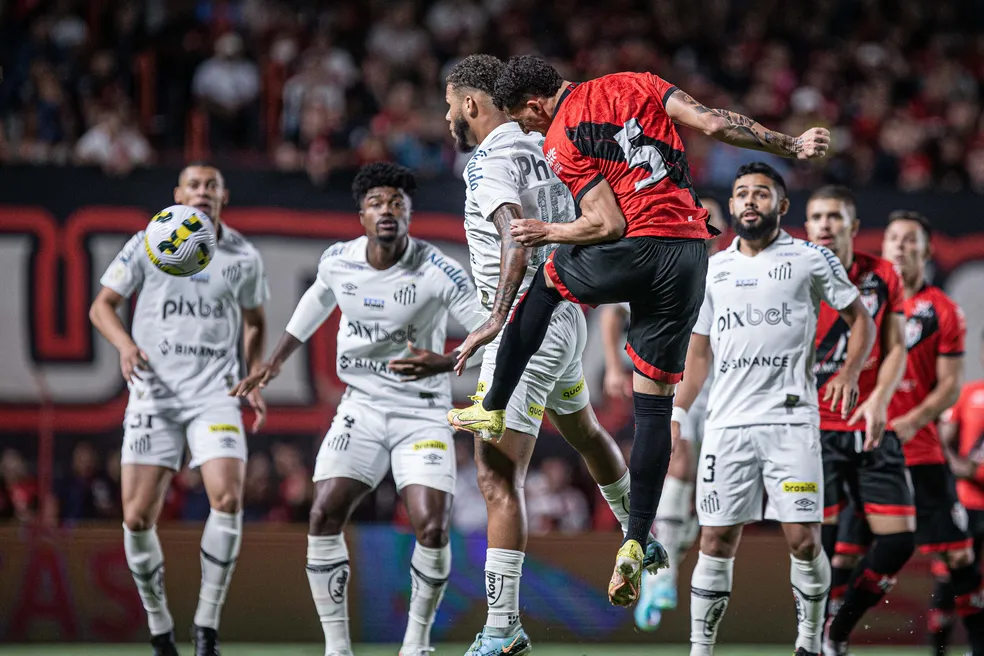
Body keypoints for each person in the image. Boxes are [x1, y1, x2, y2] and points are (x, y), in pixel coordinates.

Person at [448, 54, 831, 606]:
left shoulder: (559, 135)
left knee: (548, 281)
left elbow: (609, 223)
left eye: (523, 119)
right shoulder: (639, 82)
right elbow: (717, 123)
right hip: (692, 252)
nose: (526, 130)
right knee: (653, 404)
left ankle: (494, 403)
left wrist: (546, 229)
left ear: (535, 104)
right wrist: (791, 146)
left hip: (638, 244)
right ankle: (634, 541)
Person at [231, 162, 485, 656]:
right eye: (376, 203)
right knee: (323, 513)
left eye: (396, 203)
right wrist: (274, 362)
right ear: (361, 215)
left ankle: (417, 643)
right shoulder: (338, 261)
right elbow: (315, 303)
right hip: (362, 408)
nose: (386, 210)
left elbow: (489, 333)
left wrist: (446, 360)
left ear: (409, 213)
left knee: (431, 524)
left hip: (421, 413)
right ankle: (337, 647)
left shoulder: (437, 270)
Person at [444, 54, 639, 655]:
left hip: (524, 326)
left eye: (449, 103)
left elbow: (515, 240)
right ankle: (640, 527)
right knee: (582, 430)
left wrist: (497, 320)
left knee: (497, 475)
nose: (448, 114)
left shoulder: (490, 162)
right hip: (566, 317)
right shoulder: (544, 148)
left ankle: (502, 629)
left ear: (471, 104)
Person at [673, 163, 874, 656]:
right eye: (741, 193)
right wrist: (677, 415)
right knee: (715, 540)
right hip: (727, 425)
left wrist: (849, 372)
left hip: (790, 422)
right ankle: (701, 650)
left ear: (782, 207)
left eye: (761, 194)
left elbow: (860, 318)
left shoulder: (810, 259)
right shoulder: (715, 268)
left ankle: (809, 641)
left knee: (805, 540)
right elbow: (698, 353)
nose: (748, 202)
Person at [89, 163, 268, 656]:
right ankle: (159, 627)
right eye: (194, 185)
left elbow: (254, 322)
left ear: (223, 197)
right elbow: (102, 305)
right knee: (137, 517)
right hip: (155, 393)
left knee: (228, 500)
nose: (203, 192)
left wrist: (253, 371)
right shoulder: (151, 240)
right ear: (178, 194)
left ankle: (206, 627)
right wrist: (125, 346)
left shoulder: (242, 256)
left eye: (212, 186)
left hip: (215, 392)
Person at [600, 198, 729, 631]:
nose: (703, 227)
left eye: (712, 223)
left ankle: (668, 558)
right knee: (680, 461)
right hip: (677, 382)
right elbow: (613, 310)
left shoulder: (729, 272)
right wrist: (613, 364)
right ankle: (663, 576)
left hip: (731, 391)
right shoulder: (660, 256)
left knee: (710, 499)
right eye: (699, 218)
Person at [800, 185, 914, 653]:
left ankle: (838, 628)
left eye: (835, 217)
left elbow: (896, 348)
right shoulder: (793, 272)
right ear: (805, 225)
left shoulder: (883, 274)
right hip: (813, 430)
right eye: (817, 217)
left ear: (852, 226)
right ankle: (807, 638)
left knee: (898, 542)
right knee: (815, 552)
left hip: (869, 427)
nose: (825, 225)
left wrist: (880, 399)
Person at [881, 212, 984, 654]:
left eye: (910, 241)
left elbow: (944, 394)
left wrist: (913, 422)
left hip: (927, 459)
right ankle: (827, 639)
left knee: (960, 563)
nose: (901, 248)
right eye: (894, 239)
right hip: (878, 454)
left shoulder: (942, 309)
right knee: (837, 553)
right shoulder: (861, 303)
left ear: (925, 252)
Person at [939, 330, 984, 653]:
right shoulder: (970, 394)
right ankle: (938, 649)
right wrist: (959, 465)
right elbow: (946, 444)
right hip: (968, 504)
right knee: (950, 578)